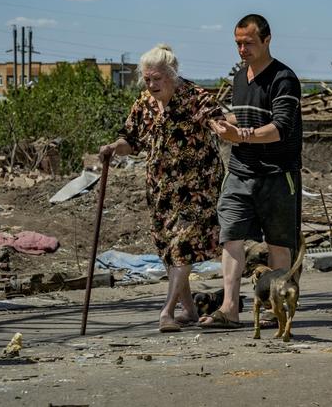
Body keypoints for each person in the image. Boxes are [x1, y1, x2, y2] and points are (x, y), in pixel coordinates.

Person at [99, 44, 241, 333]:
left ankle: (167, 311)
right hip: (161, 189)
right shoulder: (144, 104)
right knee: (168, 249)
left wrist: (226, 127)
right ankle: (188, 309)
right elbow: (132, 141)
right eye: (147, 79)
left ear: (172, 75)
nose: (151, 85)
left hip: (197, 187)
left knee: (181, 246)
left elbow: (218, 122)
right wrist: (115, 148)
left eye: (156, 79)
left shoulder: (194, 97)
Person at [199, 14, 303, 329]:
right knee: (230, 236)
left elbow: (280, 128)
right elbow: (244, 118)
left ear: (267, 40)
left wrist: (240, 135)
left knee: (279, 242)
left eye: (249, 43)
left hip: (276, 173)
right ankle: (230, 308)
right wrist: (225, 123)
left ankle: (277, 306)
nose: (242, 49)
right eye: (238, 43)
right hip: (240, 170)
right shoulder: (239, 78)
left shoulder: (283, 78)